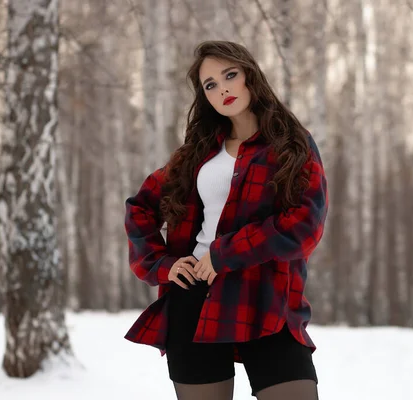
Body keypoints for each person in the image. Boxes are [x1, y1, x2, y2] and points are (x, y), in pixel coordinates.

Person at [124, 40, 328, 400]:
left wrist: (224, 254)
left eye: (229, 75)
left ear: (250, 75)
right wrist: (163, 265)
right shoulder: (197, 154)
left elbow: (304, 225)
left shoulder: (291, 145)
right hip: (194, 299)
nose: (223, 89)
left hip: (266, 299)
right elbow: (140, 208)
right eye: (211, 85)